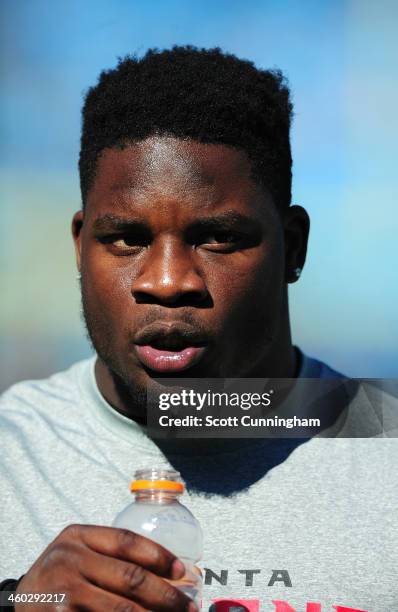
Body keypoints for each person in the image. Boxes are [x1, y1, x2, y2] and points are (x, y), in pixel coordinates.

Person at [0, 46, 397, 612]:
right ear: (80, 246)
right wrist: (21, 603)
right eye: (126, 238)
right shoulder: (12, 455)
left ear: (294, 246)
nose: (167, 281)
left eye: (218, 237)